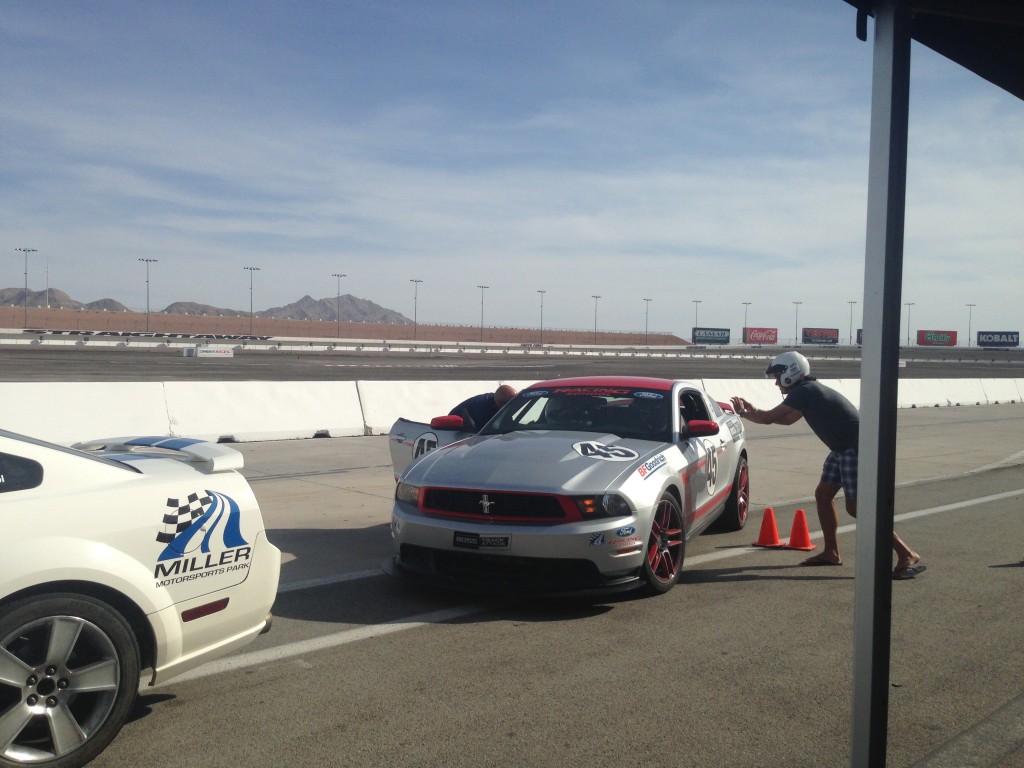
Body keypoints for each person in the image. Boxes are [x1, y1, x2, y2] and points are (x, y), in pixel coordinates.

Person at [730, 351, 924, 579]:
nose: (775, 382)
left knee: (857, 508)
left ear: (791, 373)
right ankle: (831, 552)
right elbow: (785, 419)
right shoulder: (807, 392)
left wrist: (744, 412)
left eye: (778, 375)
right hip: (842, 449)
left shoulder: (806, 391)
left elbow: (770, 418)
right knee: (823, 495)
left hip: (855, 449)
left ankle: (906, 553)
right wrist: (752, 412)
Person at [449, 384, 517, 432]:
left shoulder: (499, 401)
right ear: (500, 403)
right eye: (511, 404)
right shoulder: (482, 409)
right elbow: (485, 432)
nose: (515, 406)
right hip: (456, 431)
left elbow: (509, 423)